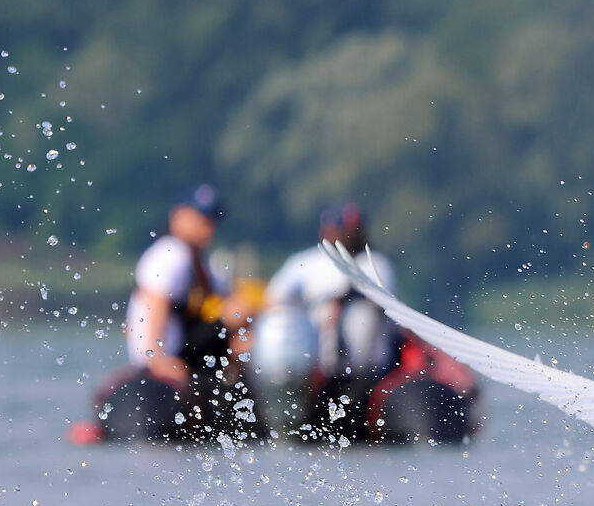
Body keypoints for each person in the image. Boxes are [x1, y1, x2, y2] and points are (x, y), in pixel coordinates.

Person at [91, 184, 237, 440]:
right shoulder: (172, 254)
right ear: (177, 216)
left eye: (212, 219)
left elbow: (228, 303)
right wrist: (158, 359)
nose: (208, 226)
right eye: (201, 217)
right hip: (164, 361)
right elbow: (154, 303)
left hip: (183, 357)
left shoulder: (198, 261)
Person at [266, 203, 399, 398]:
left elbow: (383, 303)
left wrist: (342, 301)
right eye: (345, 230)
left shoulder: (375, 262)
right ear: (327, 230)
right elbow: (274, 299)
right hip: (318, 368)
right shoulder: (306, 263)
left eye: (355, 230)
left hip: (368, 372)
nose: (351, 235)